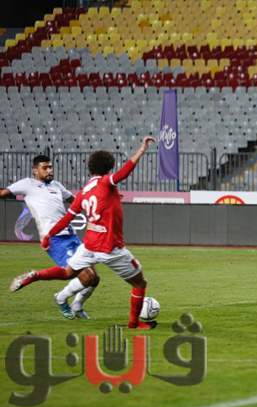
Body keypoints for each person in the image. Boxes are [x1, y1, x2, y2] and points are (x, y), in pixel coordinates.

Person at [10, 136, 158, 330]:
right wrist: (141, 149)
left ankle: (36, 276)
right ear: (109, 167)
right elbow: (125, 172)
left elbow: (67, 218)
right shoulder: (105, 183)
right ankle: (133, 323)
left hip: (89, 246)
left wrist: (49, 235)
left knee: (68, 272)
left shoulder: (84, 191)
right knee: (139, 283)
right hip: (110, 247)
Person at [2, 155, 99, 319]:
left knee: (94, 279)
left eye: (50, 167)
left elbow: (75, 201)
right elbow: (4, 193)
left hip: (71, 235)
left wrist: (94, 204)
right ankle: (59, 297)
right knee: (84, 276)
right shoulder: (27, 184)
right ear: (35, 170)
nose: (49, 170)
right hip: (54, 239)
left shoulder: (56, 185)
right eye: (45, 168)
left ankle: (77, 306)